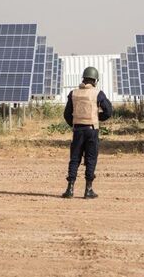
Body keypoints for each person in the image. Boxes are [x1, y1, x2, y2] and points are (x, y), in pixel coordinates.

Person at [61, 66, 113, 199]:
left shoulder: (74, 93)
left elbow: (67, 114)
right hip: (91, 130)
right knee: (90, 159)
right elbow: (108, 111)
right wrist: (97, 118)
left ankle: (70, 189)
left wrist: (75, 124)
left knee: (74, 159)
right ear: (95, 80)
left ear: (83, 79)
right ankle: (88, 190)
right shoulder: (98, 93)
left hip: (77, 130)